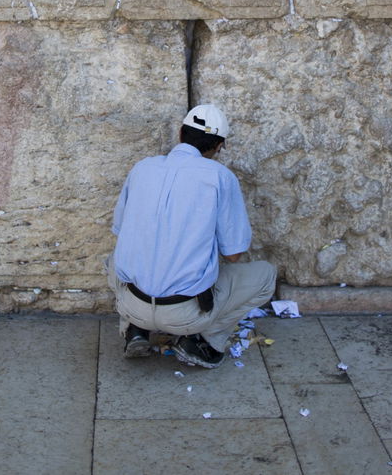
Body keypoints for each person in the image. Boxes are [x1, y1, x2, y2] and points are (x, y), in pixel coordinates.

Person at [107, 103, 278, 369]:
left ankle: (135, 330)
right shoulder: (221, 177)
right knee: (265, 275)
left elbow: (119, 230)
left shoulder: (142, 168)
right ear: (219, 145)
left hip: (132, 304)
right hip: (184, 315)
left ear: (180, 133)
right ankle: (203, 343)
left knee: (112, 260)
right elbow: (233, 255)